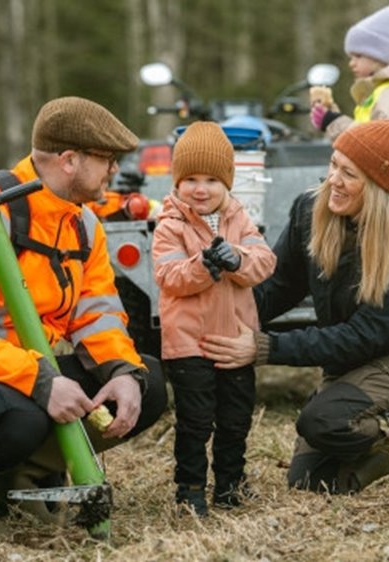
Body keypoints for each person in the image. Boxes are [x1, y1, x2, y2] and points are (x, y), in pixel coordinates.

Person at [0, 96, 168, 539]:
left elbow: (98, 315)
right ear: (70, 160)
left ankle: (20, 478)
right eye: (107, 160)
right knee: (19, 410)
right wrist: (42, 381)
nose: (114, 170)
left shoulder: (84, 224)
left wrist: (122, 371)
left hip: (18, 370)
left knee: (148, 383)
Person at [200, 120, 389, 495]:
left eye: (349, 173)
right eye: (333, 165)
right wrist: (222, 312)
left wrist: (265, 347)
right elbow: (278, 287)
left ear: (377, 185)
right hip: (356, 364)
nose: (333, 180)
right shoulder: (310, 210)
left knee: (323, 420)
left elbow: (365, 335)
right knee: (310, 482)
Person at [151, 122, 276, 516]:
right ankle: (189, 490)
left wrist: (236, 259)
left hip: (235, 344)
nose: (200, 188)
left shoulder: (240, 220)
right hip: (189, 345)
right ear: (177, 181)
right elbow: (169, 277)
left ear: (227, 183)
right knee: (195, 422)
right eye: (190, 179)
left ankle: (230, 485)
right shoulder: (170, 227)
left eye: (211, 179)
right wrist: (204, 265)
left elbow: (264, 262)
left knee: (235, 420)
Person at [309, 4, 389, 182]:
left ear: (379, 55)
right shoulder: (382, 91)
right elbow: (366, 137)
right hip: (385, 178)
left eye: (358, 56)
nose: (351, 63)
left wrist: (333, 121)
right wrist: (331, 120)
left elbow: (378, 145)